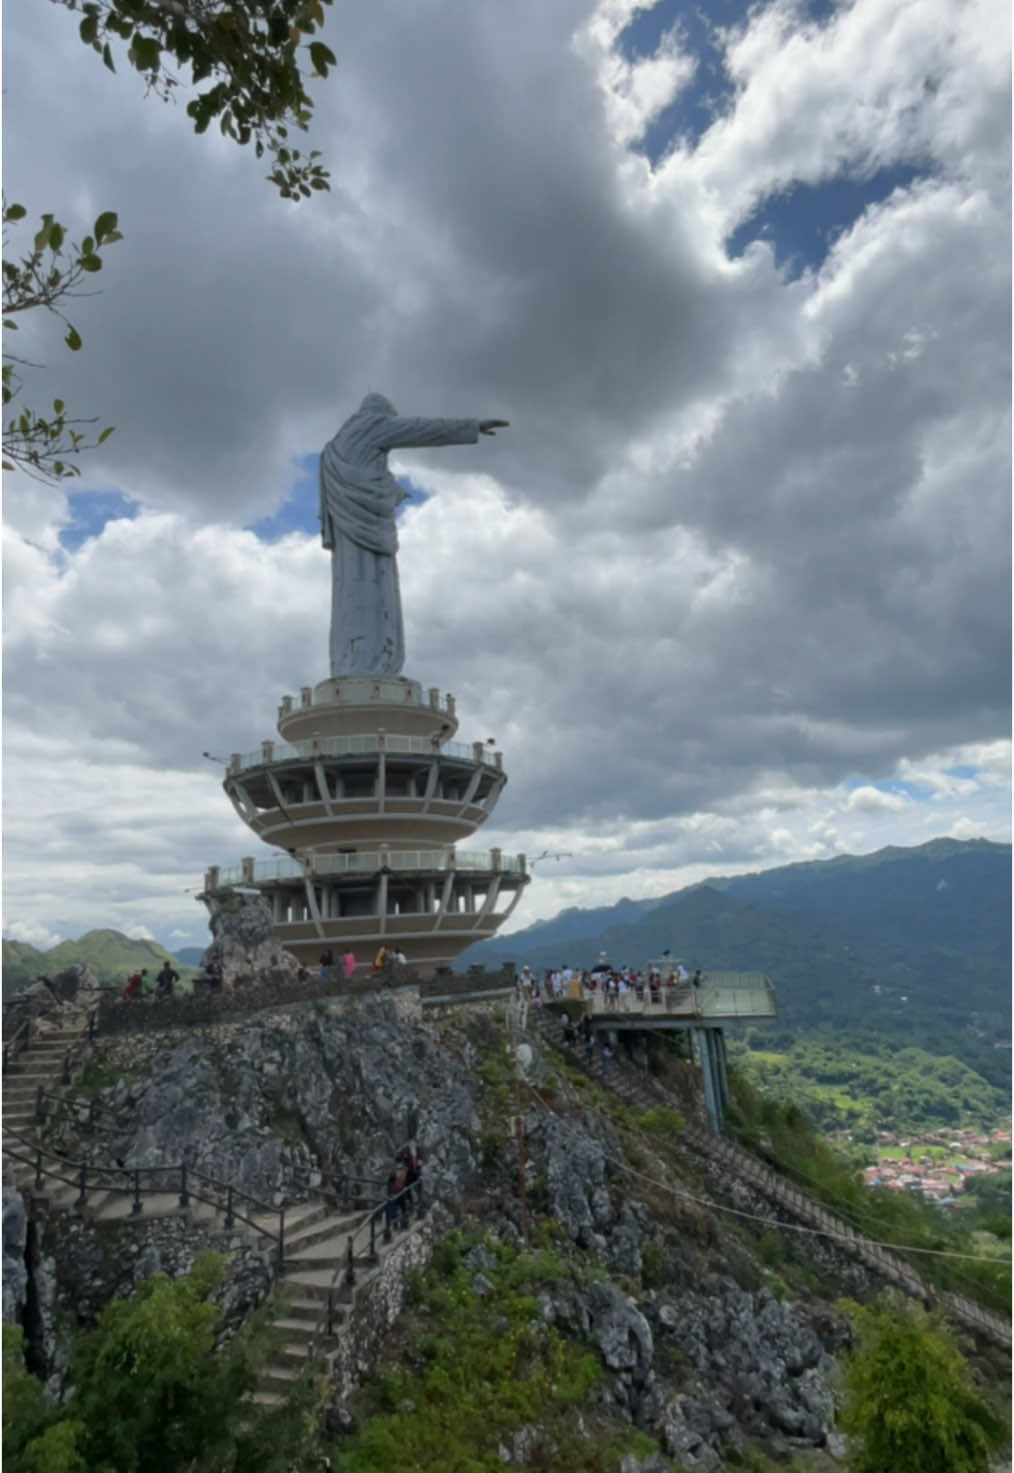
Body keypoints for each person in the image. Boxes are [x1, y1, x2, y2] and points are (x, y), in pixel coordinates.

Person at [319, 394, 509, 676]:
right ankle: (374, 662)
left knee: (350, 590)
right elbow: (421, 429)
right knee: (375, 591)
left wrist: (390, 489)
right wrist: (472, 427)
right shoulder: (371, 426)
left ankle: (350, 662)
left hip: (347, 533)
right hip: (367, 529)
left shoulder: (332, 450)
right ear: (381, 415)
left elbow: (365, 475)